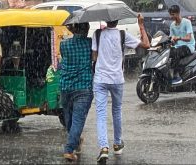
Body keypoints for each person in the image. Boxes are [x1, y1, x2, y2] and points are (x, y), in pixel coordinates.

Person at [92, 14, 150, 163]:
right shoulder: (123, 35)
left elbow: (94, 57)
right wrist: (141, 25)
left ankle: (104, 148)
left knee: (101, 113)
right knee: (116, 111)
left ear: (106, 20)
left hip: (100, 79)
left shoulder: (97, 34)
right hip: (117, 79)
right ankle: (117, 144)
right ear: (117, 21)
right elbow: (146, 45)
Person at [60, 23, 93, 161]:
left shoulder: (64, 44)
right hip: (83, 86)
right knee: (78, 120)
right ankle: (69, 149)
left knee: (69, 119)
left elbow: (64, 57)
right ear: (86, 30)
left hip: (66, 85)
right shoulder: (90, 43)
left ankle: (76, 140)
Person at [168, 4, 196, 84]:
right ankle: (168, 75)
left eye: (172, 14)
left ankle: (177, 76)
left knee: (176, 53)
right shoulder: (172, 25)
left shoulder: (187, 22)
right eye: (170, 14)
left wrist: (179, 38)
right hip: (177, 47)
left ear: (178, 13)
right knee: (167, 54)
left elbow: (188, 38)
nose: (171, 16)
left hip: (188, 46)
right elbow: (171, 38)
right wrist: (171, 41)